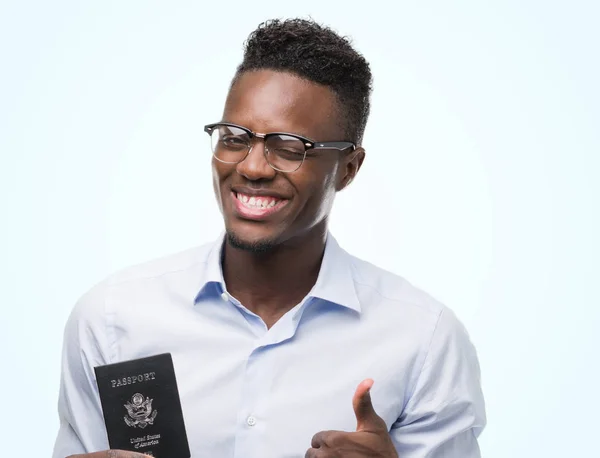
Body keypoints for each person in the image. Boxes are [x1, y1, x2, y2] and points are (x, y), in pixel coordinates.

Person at [54, 18, 486, 458]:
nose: (253, 167)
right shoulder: (112, 320)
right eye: (235, 138)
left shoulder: (425, 341)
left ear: (349, 169)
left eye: (289, 146)